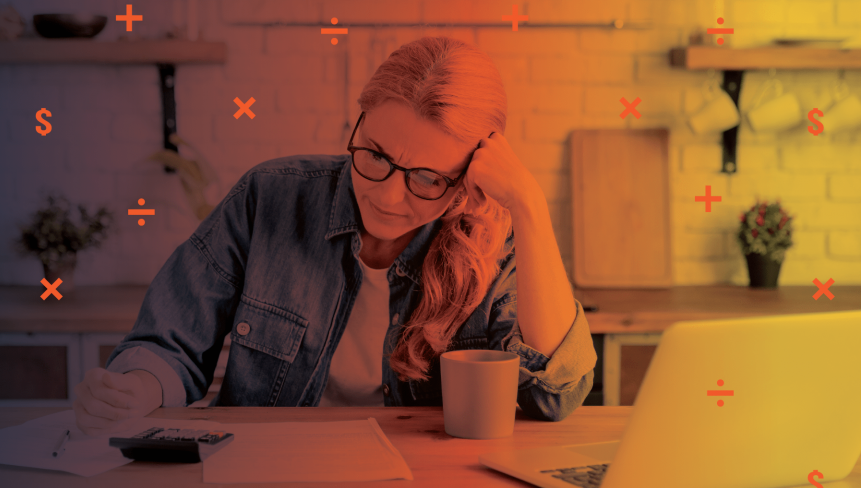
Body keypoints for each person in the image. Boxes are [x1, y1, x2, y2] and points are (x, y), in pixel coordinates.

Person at [73, 36, 598, 436]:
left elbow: (555, 396)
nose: (389, 197)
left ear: (468, 178)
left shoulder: (492, 239)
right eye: (374, 155)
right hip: (270, 469)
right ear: (359, 121)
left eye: (427, 179)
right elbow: (169, 342)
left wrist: (529, 206)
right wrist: (135, 388)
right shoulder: (269, 196)